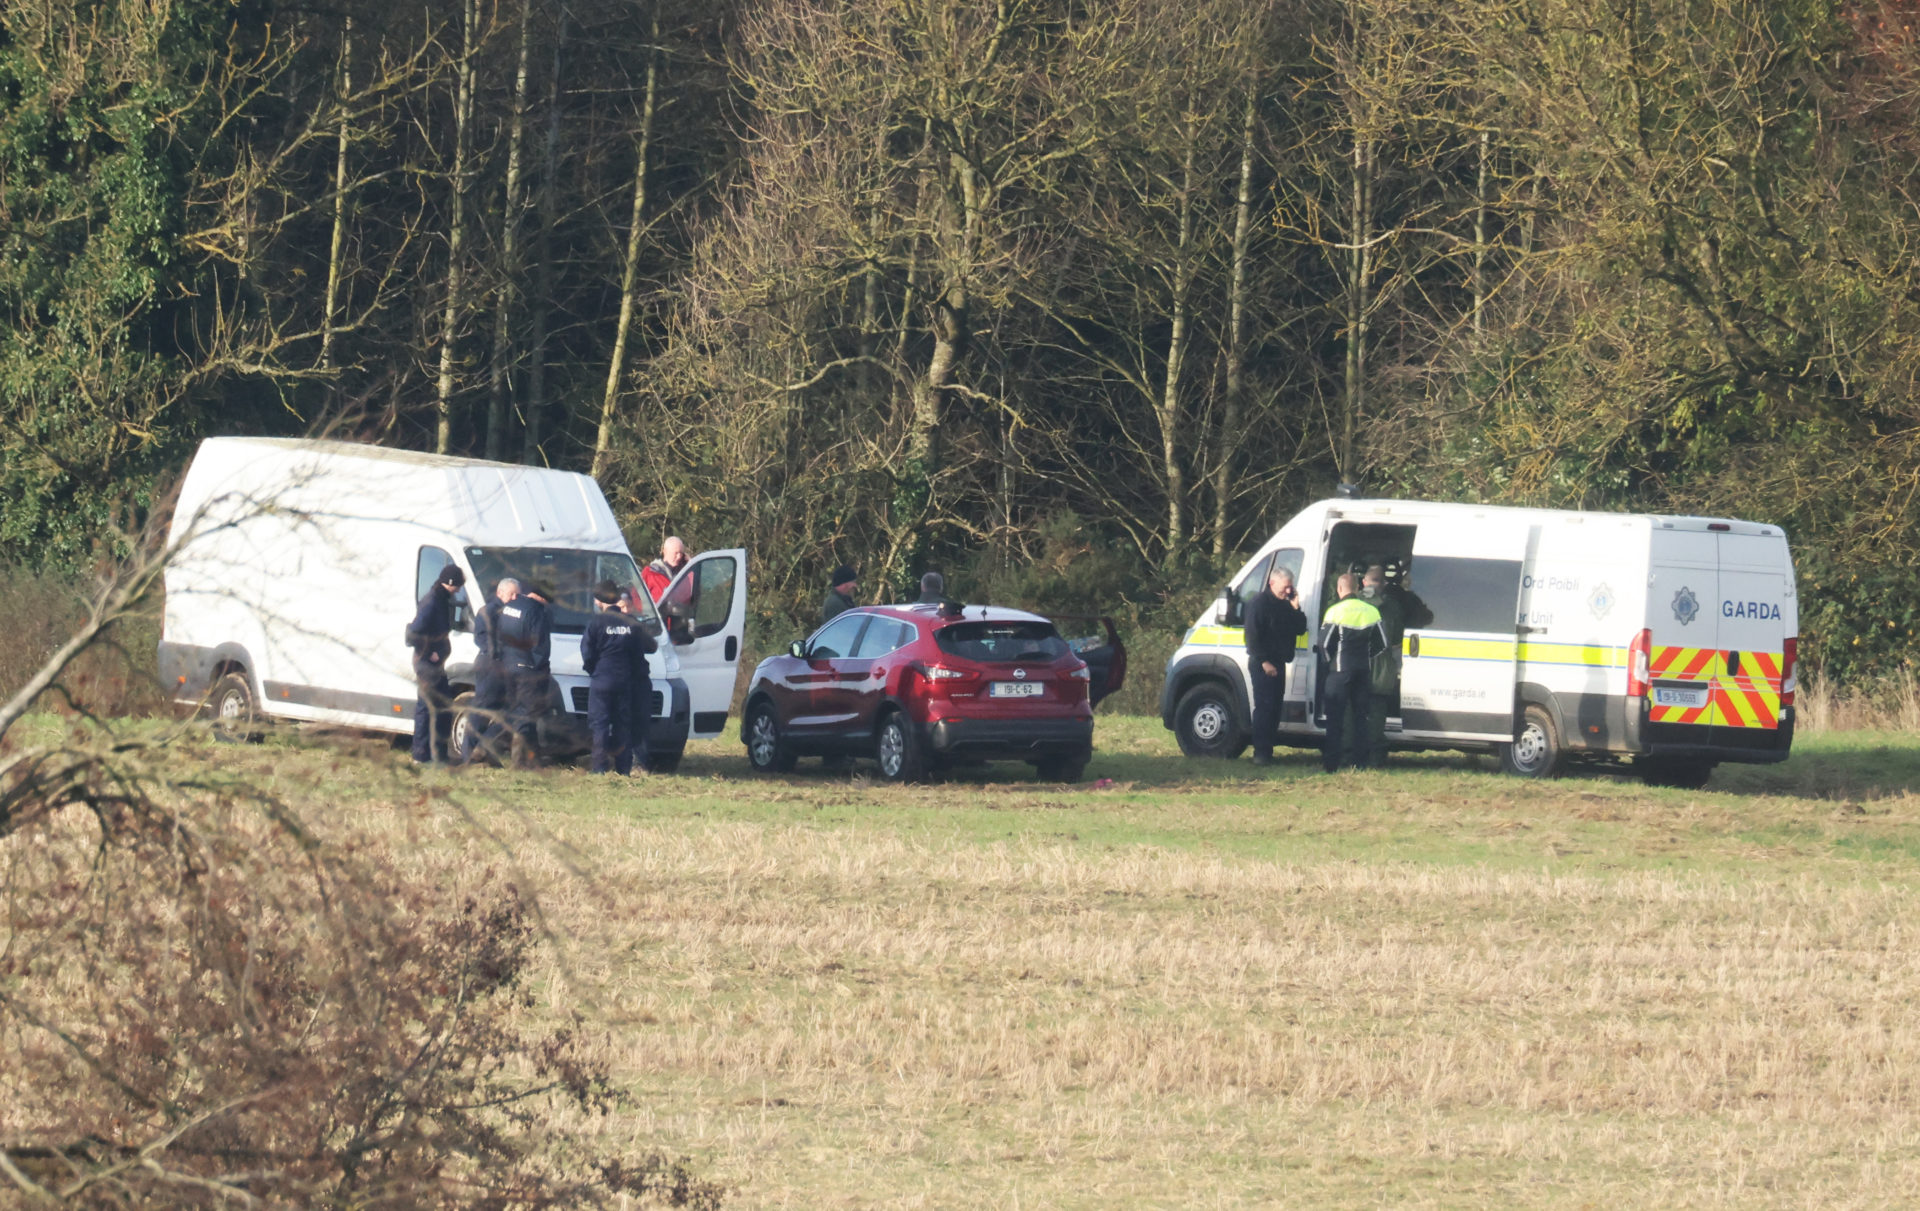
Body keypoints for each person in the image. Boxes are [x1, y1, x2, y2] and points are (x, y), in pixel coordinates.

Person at [580, 579, 658, 776]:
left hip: (602, 680)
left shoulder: (596, 622)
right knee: (623, 724)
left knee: (600, 725)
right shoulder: (630, 623)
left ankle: (599, 768)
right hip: (624, 681)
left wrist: (595, 671)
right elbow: (639, 653)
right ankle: (623, 768)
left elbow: (587, 652)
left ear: (600, 601)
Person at [1317, 572, 1388, 773]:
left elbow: (1323, 645)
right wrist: (1367, 656)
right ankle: (1360, 763)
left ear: (1340, 589)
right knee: (1361, 718)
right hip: (1363, 671)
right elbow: (1382, 643)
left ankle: (1331, 764)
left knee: (1335, 719)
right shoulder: (1372, 611)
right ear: (1357, 588)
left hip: (1339, 671)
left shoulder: (1335, 611)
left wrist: (1329, 664)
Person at [1243, 566, 1308, 766]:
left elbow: (1300, 629)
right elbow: (1252, 637)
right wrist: (1264, 662)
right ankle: (1260, 753)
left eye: (1290, 587)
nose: (1288, 591)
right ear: (1272, 583)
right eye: (1285, 587)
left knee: (1275, 708)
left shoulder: (1286, 604)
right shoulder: (1259, 603)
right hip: (1262, 663)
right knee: (1264, 707)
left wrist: (1296, 608)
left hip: (1278, 663)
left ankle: (1267, 750)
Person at [406, 563, 467, 764]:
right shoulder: (432, 602)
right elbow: (413, 633)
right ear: (449, 583)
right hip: (427, 665)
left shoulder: (441, 600)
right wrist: (429, 651)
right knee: (427, 708)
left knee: (442, 706)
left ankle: (437, 754)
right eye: (457, 586)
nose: (458, 590)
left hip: (435, 665)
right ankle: (421, 756)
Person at [494, 579, 553, 769]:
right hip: (526, 669)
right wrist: (539, 669)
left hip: (508, 666)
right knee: (525, 715)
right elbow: (540, 648)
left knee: (516, 711)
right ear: (543, 599)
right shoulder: (537, 611)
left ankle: (532, 759)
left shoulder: (510, 607)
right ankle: (518, 763)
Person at [459, 577, 518, 765]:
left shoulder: (514, 611)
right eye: (512, 594)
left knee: (512, 709)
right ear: (500, 593)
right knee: (482, 710)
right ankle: (468, 754)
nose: (515, 597)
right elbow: (483, 639)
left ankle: (484, 749)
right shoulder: (488, 611)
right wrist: (499, 653)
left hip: (505, 667)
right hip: (491, 666)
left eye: (518, 594)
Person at [1361, 565, 1406, 767]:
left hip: (1358, 665)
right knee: (1376, 713)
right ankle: (1374, 757)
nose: (1380, 584)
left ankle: (1360, 755)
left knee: (1363, 711)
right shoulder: (1392, 606)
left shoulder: (1354, 602)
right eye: (1377, 580)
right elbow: (1395, 640)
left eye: (1380, 580)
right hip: (1380, 666)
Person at [640, 537, 689, 603]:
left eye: (681, 553)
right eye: (676, 553)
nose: (679, 556)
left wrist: (690, 564)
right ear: (665, 551)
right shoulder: (650, 573)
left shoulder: (684, 574)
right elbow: (636, 597)